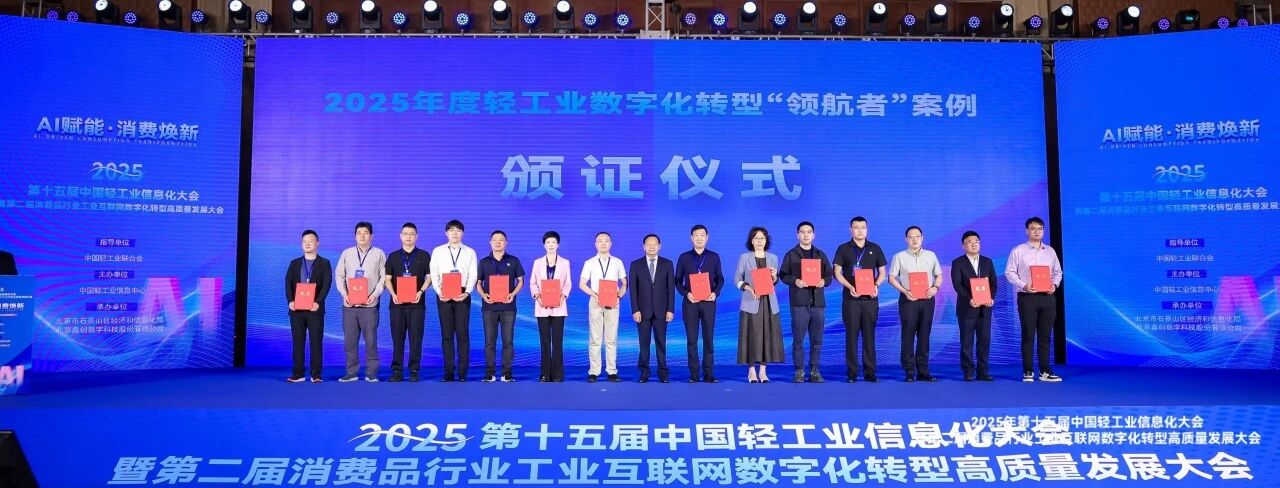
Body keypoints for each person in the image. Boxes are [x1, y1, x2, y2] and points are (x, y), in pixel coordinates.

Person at [1005, 217, 1064, 383]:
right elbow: (1009, 272)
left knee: (1045, 336)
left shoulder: (1050, 251)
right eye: (1033, 228)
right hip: (1027, 297)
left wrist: (1054, 285)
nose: (1037, 231)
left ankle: (1044, 371)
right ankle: (1028, 371)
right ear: (1027, 231)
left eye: (1040, 228)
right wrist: (1023, 285)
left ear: (1043, 231)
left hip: (1047, 298)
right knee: (1028, 335)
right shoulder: (1018, 251)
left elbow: (1058, 272)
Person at [832, 216, 888, 383]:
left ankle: (870, 372)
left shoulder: (875, 248)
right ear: (851, 230)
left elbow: (882, 272)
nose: (860, 230)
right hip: (851, 299)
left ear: (867, 229)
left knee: (869, 336)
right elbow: (837, 273)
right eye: (856, 227)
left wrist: (876, 285)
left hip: (870, 300)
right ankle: (852, 372)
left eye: (863, 227)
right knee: (851, 336)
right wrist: (850, 287)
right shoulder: (843, 248)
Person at [778, 221, 834, 383]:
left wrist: (824, 281)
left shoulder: (820, 254)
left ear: (813, 235)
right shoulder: (791, 254)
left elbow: (829, 275)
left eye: (809, 232)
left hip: (817, 303)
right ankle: (799, 370)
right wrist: (795, 281)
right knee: (798, 339)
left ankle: (815, 370)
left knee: (817, 340)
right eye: (802, 232)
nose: (806, 235)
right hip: (799, 303)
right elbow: (783, 275)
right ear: (798, 235)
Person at [888, 226, 942, 383]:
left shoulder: (931, 255)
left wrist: (935, 287)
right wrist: (905, 291)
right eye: (911, 237)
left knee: (924, 336)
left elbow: (938, 275)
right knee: (908, 335)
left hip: (927, 300)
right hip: (908, 300)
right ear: (906, 239)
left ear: (922, 238)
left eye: (917, 236)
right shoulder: (899, 257)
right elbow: (891, 278)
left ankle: (923, 370)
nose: (914, 239)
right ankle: (910, 371)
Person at [335, 221, 387, 382]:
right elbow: (339, 275)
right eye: (359, 233)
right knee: (350, 341)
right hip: (349, 305)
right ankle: (351, 372)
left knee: (371, 340)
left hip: (370, 305)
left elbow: (383, 277)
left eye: (365, 233)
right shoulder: (347, 253)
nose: (362, 236)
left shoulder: (379, 253)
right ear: (355, 236)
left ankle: (372, 373)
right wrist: (344, 294)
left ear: (372, 236)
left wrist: (375, 294)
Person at [430, 220, 479, 382]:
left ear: (462, 233)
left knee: (463, 334)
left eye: (458, 230)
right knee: (447, 335)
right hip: (443, 295)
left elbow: (473, 275)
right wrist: (439, 292)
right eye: (451, 230)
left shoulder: (470, 252)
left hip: (462, 294)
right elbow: (434, 273)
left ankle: (463, 372)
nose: (455, 233)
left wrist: (467, 292)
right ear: (446, 233)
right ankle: (449, 372)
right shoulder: (438, 251)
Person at [674, 224, 723, 383]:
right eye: (696, 235)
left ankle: (709, 373)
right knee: (692, 339)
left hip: (708, 303)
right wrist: (686, 294)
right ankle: (694, 374)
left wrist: (715, 293)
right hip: (690, 303)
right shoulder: (684, 257)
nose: (699, 238)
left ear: (707, 237)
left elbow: (720, 278)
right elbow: (677, 280)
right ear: (691, 238)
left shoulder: (714, 256)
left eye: (702, 235)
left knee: (708, 338)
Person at [734, 226, 784, 383]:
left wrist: (775, 277)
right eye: (756, 238)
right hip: (751, 301)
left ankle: (763, 371)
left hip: (768, 302)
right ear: (751, 241)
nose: (759, 241)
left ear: (766, 240)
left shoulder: (773, 258)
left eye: (762, 238)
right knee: (751, 336)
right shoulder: (744, 257)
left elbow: (774, 282)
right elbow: (737, 280)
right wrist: (749, 289)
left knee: (767, 336)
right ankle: (751, 371)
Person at [383, 223, 431, 383]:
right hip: (397, 304)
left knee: (416, 338)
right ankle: (397, 370)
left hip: (417, 304)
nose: (408, 236)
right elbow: (387, 278)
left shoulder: (424, 255)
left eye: (411, 234)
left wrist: (420, 291)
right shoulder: (393, 256)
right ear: (400, 236)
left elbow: (430, 277)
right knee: (397, 338)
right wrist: (393, 294)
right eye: (405, 233)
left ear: (416, 236)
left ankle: (414, 370)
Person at [579, 232, 628, 383]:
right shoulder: (589, 262)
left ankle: (612, 371)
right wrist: (595, 295)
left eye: (606, 241)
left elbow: (624, 283)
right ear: (595, 244)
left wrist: (618, 297)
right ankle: (594, 371)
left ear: (611, 243)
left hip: (613, 302)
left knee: (611, 338)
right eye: (600, 241)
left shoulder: (617, 262)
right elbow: (582, 284)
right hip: (595, 301)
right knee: (595, 338)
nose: (603, 243)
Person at [477, 230, 525, 383]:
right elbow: (478, 283)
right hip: (489, 307)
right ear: (490, 242)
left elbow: (520, 281)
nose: (498, 242)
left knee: (508, 341)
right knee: (489, 342)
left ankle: (507, 373)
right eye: (495, 240)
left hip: (508, 307)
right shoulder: (484, 262)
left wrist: (512, 294)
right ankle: (490, 374)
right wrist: (484, 295)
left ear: (506, 242)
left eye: (501, 239)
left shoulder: (514, 260)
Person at [285, 230, 332, 383]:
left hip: (315, 310)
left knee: (316, 342)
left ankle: (316, 374)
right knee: (297, 342)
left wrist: (318, 302)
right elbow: (288, 283)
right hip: (296, 310)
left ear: (317, 243)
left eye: (311, 241)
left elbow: (326, 284)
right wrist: (290, 301)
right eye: (304, 241)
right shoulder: (294, 263)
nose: (307, 244)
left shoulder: (324, 263)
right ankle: (298, 373)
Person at [628, 234, 675, 383]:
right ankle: (644, 372)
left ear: (659, 246)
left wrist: (670, 309)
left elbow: (671, 289)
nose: (652, 246)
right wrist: (635, 309)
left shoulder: (668, 264)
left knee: (661, 343)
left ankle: (663, 372)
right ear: (644, 247)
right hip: (642, 312)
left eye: (655, 244)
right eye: (648, 244)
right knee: (644, 343)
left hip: (662, 311)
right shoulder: (635, 265)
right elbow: (633, 290)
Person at [950, 230, 996, 382]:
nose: (974, 244)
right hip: (967, 308)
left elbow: (993, 283)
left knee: (984, 341)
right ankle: (968, 371)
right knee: (967, 342)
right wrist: (969, 299)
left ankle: (983, 372)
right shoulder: (958, 262)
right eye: (970, 242)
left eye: (976, 241)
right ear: (963, 246)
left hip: (985, 309)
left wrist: (991, 298)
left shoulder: (987, 262)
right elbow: (957, 285)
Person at [530, 231, 571, 382]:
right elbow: (533, 283)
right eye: (548, 242)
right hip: (542, 307)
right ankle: (545, 374)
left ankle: (558, 374)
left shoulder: (565, 262)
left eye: (553, 242)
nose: (551, 245)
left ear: (558, 244)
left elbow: (567, 283)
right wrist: (537, 296)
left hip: (559, 307)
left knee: (558, 342)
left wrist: (563, 296)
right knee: (545, 342)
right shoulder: (537, 262)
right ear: (544, 245)